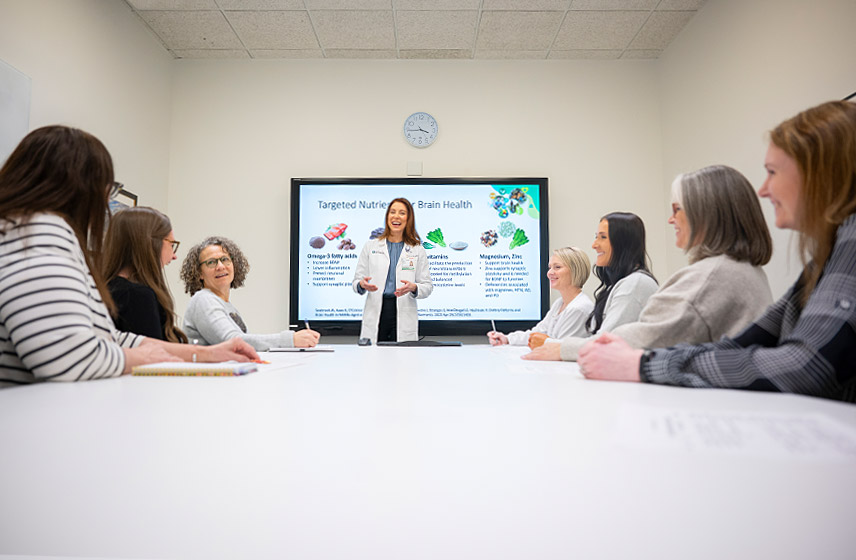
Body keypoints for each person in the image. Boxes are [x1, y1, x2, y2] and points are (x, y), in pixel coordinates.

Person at [577, 100, 856, 403]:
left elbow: (805, 366)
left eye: (773, 172)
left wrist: (642, 364)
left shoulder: (717, 273)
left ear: (821, 175)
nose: (763, 190)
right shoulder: (823, 259)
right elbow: (746, 344)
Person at [0, 126, 258, 388]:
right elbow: (68, 357)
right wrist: (145, 358)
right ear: (79, 187)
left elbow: (108, 339)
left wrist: (203, 354)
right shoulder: (36, 234)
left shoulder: (31, 232)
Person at [525, 165, 774, 361]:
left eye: (678, 209)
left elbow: (628, 342)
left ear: (706, 215)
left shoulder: (713, 276)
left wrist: (556, 347)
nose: (670, 220)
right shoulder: (739, 272)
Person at [181, 236, 320, 350]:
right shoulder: (203, 300)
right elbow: (233, 342)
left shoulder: (224, 304)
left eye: (225, 259)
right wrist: (290, 339)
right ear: (199, 273)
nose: (220, 267)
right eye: (211, 262)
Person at [352, 198, 433, 342]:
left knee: (404, 360)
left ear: (408, 219)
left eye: (402, 213)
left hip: (403, 309)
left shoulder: (417, 249)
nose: (396, 216)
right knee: (372, 360)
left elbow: (427, 286)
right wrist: (362, 285)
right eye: (392, 212)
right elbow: (357, 281)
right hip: (377, 308)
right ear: (387, 216)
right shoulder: (371, 246)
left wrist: (414, 287)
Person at [103, 206, 187, 343]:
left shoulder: (103, 289)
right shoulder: (137, 296)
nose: (174, 256)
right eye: (172, 244)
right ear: (151, 243)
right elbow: (155, 359)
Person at [488, 246, 593, 347]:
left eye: (557, 267)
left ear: (575, 270)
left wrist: (543, 342)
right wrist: (507, 339)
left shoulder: (579, 309)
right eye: (550, 267)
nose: (549, 273)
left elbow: (561, 349)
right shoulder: (560, 303)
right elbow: (537, 334)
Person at [582, 212, 659, 337]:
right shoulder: (621, 284)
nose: (594, 245)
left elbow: (605, 343)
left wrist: (556, 347)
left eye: (603, 237)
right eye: (596, 237)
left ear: (623, 243)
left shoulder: (635, 284)